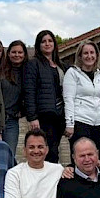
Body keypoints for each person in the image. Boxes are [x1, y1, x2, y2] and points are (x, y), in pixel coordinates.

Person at [24, 29, 66, 163]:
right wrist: (33, 117)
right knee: (49, 151)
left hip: (60, 115)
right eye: (43, 42)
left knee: (55, 149)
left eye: (50, 41)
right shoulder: (34, 64)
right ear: (38, 45)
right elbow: (29, 91)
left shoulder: (61, 66)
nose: (47, 44)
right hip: (44, 114)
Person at [63, 41, 100, 158]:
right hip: (80, 121)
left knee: (97, 158)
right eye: (85, 53)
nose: (89, 56)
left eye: (92, 53)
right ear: (80, 56)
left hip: (98, 122)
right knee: (81, 156)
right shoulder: (72, 73)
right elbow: (69, 99)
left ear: (97, 55)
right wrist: (70, 123)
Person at [0, 40, 28, 156]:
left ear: (24, 54)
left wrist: (23, 111)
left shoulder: (27, 73)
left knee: (8, 154)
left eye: (20, 52)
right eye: (14, 52)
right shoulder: (0, 71)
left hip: (11, 120)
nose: (17, 55)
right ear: (8, 53)